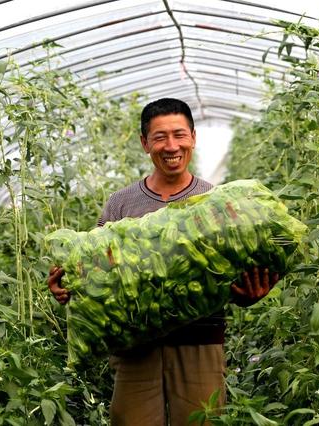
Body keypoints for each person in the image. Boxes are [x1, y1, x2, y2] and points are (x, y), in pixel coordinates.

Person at [48, 98, 279, 425]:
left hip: (199, 344)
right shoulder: (121, 203)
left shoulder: (217, 203)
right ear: (145, 143)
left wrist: (247, 294)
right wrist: (68, 285)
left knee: (204, 421)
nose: (171, 146)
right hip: (135, 349)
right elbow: (94, 269)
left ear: (193, 138)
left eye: (179, 135)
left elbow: (233, 273)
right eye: (160, 137)